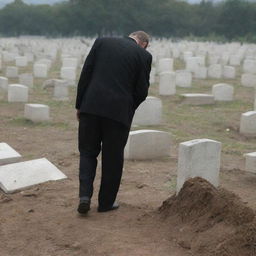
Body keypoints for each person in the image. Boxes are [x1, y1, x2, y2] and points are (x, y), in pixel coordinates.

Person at [76, 31, 152, 214]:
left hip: (91, 107)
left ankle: (84, 196)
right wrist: (127, 107)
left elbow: (86, 74)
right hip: (118, 114)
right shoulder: (144, 55)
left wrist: (80, 105)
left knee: (87, 152)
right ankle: (106, 203)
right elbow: (141, 91)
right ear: (144, 44)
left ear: (131, 36)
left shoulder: (101, 41)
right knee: (112, 158)